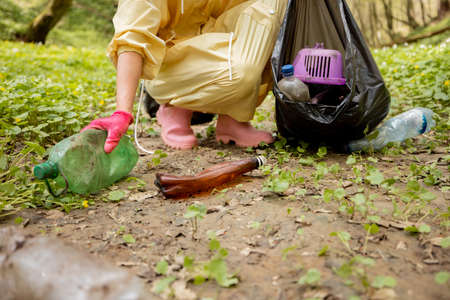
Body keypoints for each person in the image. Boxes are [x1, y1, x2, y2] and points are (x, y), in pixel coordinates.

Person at [83, 0, 288, 153]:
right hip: (171, 66)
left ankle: (233, 118)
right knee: (240, 74)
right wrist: (122, 112)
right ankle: (174, 108)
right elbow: (132, 41)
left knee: (276, 4)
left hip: (214, 43)